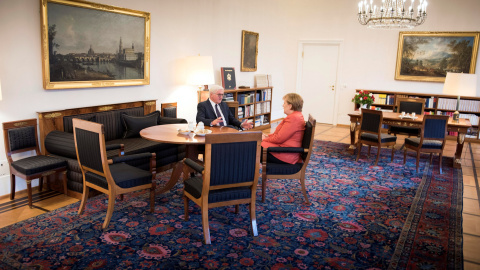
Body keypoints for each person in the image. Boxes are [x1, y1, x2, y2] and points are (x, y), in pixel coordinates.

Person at [262, 93, 305, 164]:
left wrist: (263, 139)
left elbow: (279, 138)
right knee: (253, 145)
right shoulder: (296, 116)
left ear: (290, 106)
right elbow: (281, 135)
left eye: (284, 103)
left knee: (252, 148)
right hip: (284, 150)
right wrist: (267, 136)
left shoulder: (294, 118)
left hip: (285, 154)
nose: (283, 105)